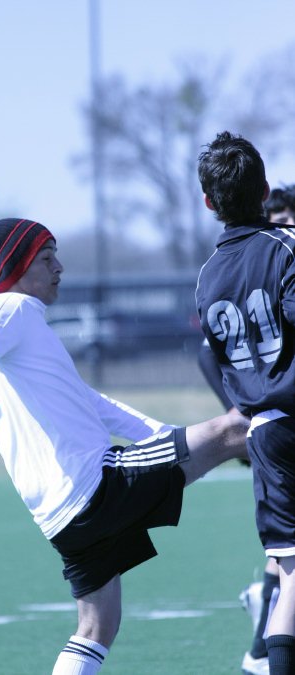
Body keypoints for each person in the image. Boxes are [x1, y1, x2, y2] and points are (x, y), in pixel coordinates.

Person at [0, 217, 249, 674]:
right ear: (17, 267)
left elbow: (92, 403)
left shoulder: (23, 330)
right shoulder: (8, 309)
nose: (59, 267)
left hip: (62, 516)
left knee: (97, 625)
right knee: (238, 428)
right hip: (97, 486)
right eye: (47, 259)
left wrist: (160, 434)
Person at [196, 132, 295, 675]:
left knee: (290, 576)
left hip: (263, 433)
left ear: (208, 202)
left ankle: (261, 655)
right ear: (263, 189)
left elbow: (215, 356)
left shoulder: (207, 277)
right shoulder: (286, 248)